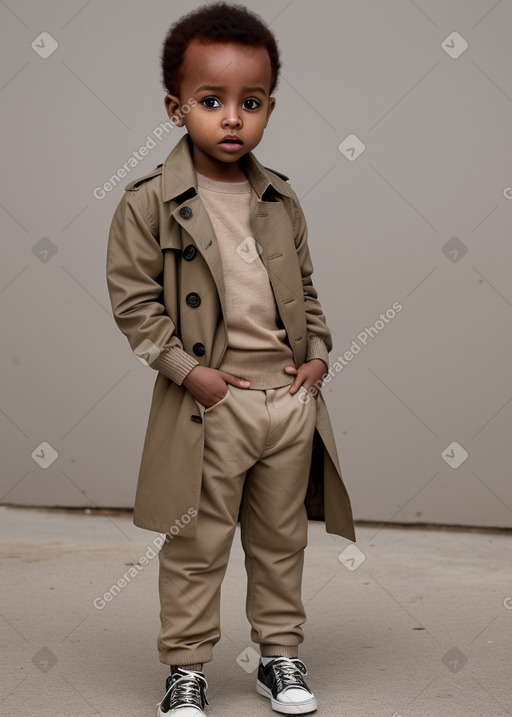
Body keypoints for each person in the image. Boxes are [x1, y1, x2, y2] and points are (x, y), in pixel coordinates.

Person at [106, 3, 355, 715]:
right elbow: (135, 305)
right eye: (211, 101)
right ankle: (186, 667)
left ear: (270, 106)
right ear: (175, 107)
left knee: (281, 542)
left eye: (251, 103)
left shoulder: (280, 198)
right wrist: (195, 375)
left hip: (286, 400)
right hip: (210, 404)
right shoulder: (149, 202)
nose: (232, 119)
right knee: (196, 544)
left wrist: (317, 355)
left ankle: (281, 655)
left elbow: (304, 287)